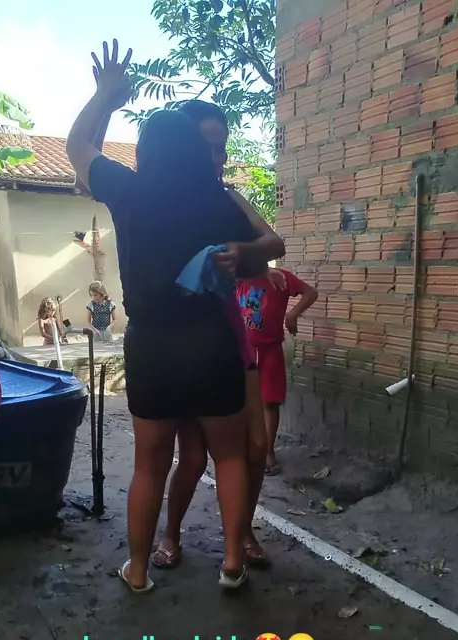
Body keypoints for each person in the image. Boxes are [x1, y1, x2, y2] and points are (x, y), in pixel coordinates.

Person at [66, 40, 284, 592]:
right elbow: (271, 246)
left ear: (145, 151)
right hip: (211, 343)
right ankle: (231, 564)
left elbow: (76, 145)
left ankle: (138, 571)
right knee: (229, 457)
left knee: (149, 464)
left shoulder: (129, 191)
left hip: (152, 346)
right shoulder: (218, 201)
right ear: (195, 152)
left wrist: (106, 96)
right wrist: (245, 254)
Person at [153, 99, 286, 571]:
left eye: (222, 147)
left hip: (231, 338)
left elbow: (274, 242)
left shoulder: (227, 198)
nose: (218, 158)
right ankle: (171, 534)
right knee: (192, 456)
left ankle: (242, 531)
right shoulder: (158, 201)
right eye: (208, 148)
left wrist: (240, 249)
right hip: (181, 344)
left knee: (255, 448)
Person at [237, 269, 317, 475]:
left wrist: (293, 314)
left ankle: (267, 451)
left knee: (270, 402)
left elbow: (310, 293)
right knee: (241, 401)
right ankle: (245, 446)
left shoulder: (280, 277)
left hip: (269, 350)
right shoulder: (240, 276)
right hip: (242, 351)